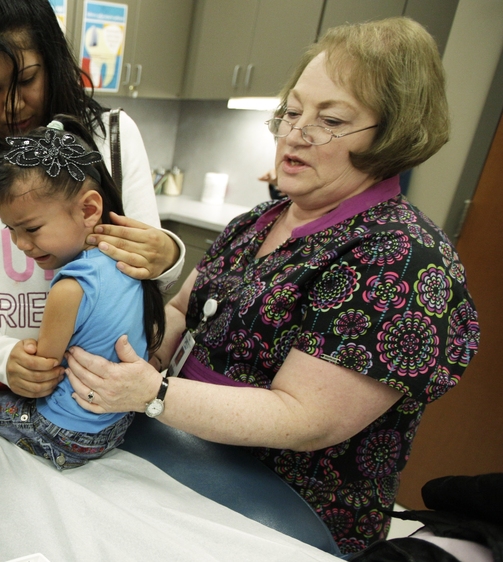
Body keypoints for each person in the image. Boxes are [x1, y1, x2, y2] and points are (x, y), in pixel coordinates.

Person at [63, 17, 480, 554]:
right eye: (293, 110)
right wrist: (133, 352)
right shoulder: (261, 219)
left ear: (392, 136)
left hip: (283, 513)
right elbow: (185, 308)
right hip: (182, 463)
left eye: (330, 119)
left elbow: (307, 418)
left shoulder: (404, 259)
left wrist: (153, 394)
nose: (295, 132)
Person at [0, 0, 184, 401]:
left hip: (94, 388)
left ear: (51, 63)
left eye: (28, 79)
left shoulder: (110, 138)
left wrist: (168, 254)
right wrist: (0, 357)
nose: (14, 104)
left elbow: (151, 275)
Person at [0, 116, 166, 470]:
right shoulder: (127, 264)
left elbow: (42, 377)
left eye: (32, 228)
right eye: (11, 230)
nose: (21, 244)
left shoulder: (68, 289)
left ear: (88, 209)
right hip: (117, 424)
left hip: (65, 435)